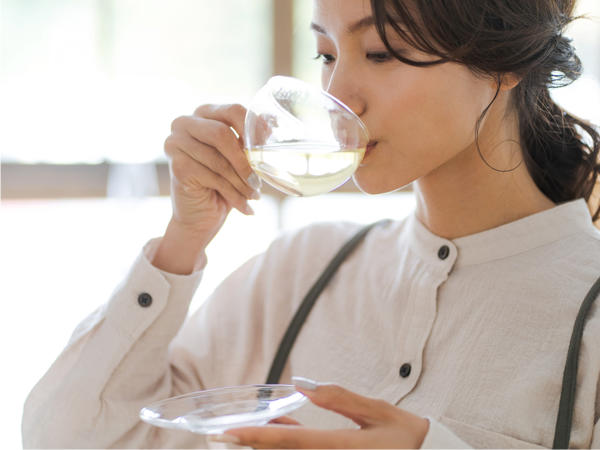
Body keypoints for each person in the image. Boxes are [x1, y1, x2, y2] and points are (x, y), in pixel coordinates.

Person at [22, 0, 600, 448]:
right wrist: (182, 241)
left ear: (503, 63)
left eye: (379, 52)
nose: (337, 95)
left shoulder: (587, 310)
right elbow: (71, 436)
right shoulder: (299, 272)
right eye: (326, 56)